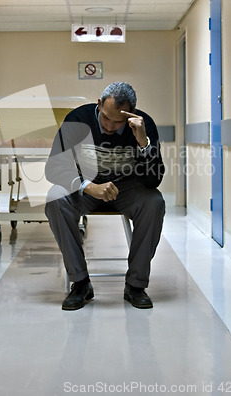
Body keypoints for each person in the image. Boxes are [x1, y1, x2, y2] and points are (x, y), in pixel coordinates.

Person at [45, 82, 165, 310]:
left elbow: (154, 180)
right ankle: (80, 283)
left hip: (127, 188)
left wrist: (143, 143)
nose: (110, 126)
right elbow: (54, 167)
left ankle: (136, 285)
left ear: (132, 114)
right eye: (106, 117)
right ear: (99, 105)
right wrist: (87, 186)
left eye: (119, 121)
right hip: (86, 188)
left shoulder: (144, 125)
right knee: (56, 198)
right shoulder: (78, 119)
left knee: (154, 201)